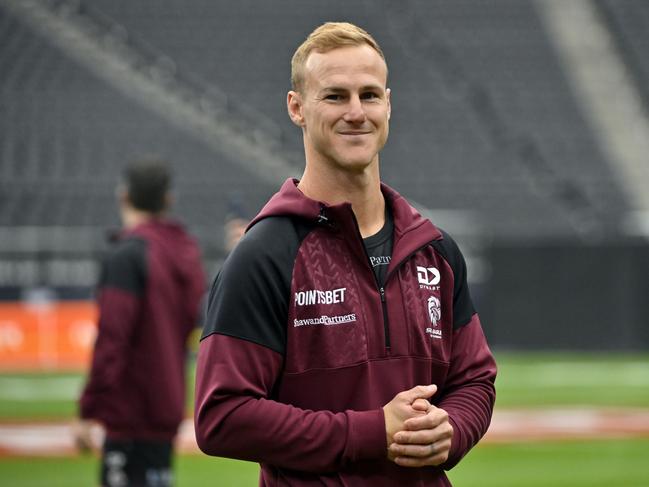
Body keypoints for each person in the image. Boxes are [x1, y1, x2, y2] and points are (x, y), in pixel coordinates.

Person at [194, 22, 496, 486]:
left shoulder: (434, 250)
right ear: (296, 108)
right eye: (335, 96)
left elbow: (475, 379)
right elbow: (222, 416)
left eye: (370, 95)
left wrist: (451, 430)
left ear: (389, 105)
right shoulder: (265, 254)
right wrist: (372, 431)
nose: (356, 112)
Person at [75, 159, 206, 487]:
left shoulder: (127, 256)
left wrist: (89, 409)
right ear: (168, 201)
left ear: (124, 196)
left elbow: (112, 339)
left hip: (130, 416)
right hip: (167, 406)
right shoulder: (184, 253)